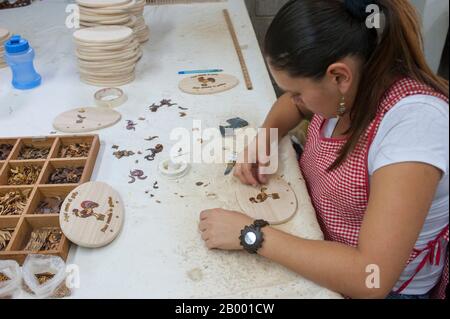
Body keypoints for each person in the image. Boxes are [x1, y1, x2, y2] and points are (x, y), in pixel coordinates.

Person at [198, 0, 449, 299]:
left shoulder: (414, 131)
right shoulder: (358, 81)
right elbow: (293, 107)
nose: (294, 99)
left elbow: (372, 277)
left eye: (297, 91)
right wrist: (264, 139)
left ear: (339, 77)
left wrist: (250, 235)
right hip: (320, 236)